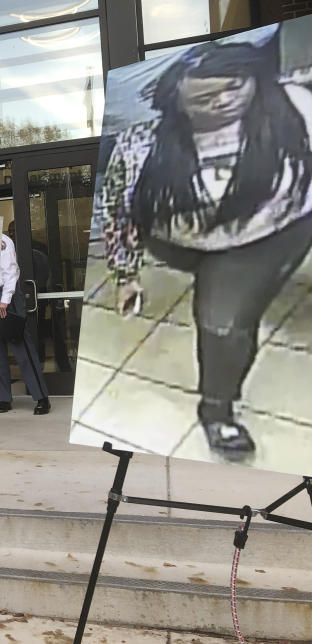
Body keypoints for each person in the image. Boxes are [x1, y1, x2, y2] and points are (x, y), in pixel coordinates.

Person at [99, 39, 312, 462]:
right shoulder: (142, 142)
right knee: (223, 314)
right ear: (175, 101)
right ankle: (217, 405)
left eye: (235, 86)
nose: (224, 101)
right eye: (204, 98)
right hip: (186, 241)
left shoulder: (294, 104)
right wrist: (126, 276)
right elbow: (118, 211)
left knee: (231, 320)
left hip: (275, 232)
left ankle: (218, 404)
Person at [0, 210, 50, 415]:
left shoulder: (2, 241)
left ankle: (41, 397)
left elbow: (11, 273)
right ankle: (3, 398)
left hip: (5, 298)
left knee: (21, 348)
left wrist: (4, 301)